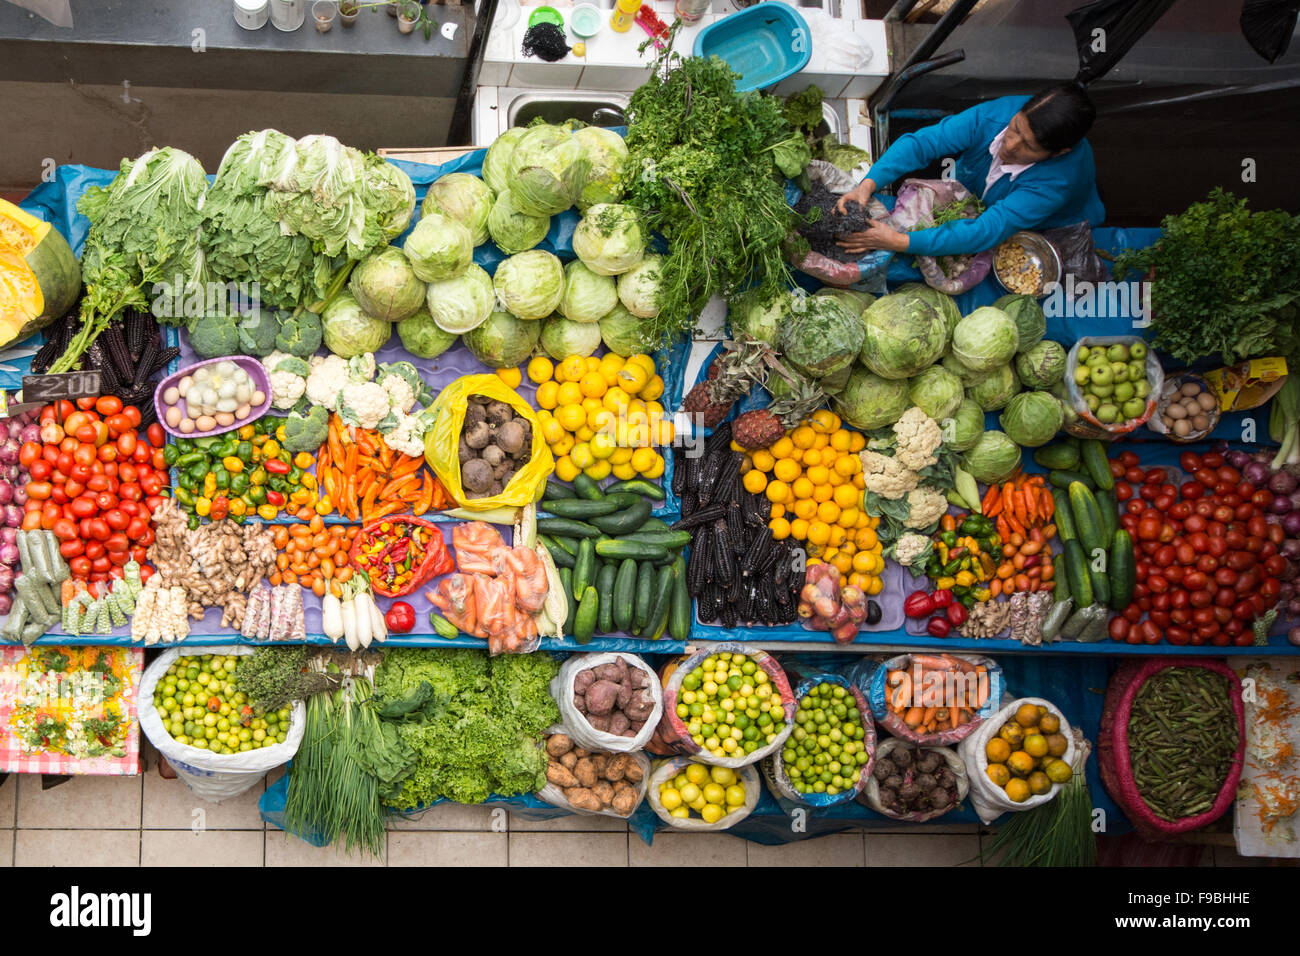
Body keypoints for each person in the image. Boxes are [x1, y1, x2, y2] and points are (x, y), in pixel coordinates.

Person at [835, 84, 1105, 257]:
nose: (1010, 145)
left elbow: (986, 230)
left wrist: (899, 241)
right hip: (980, 191)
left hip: (1050, 223)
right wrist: (869, 183)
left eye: (1028, 147)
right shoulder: (996, 115)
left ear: (1057, 153)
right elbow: (923, 144)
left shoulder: (1057, 182)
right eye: (1015, 129)